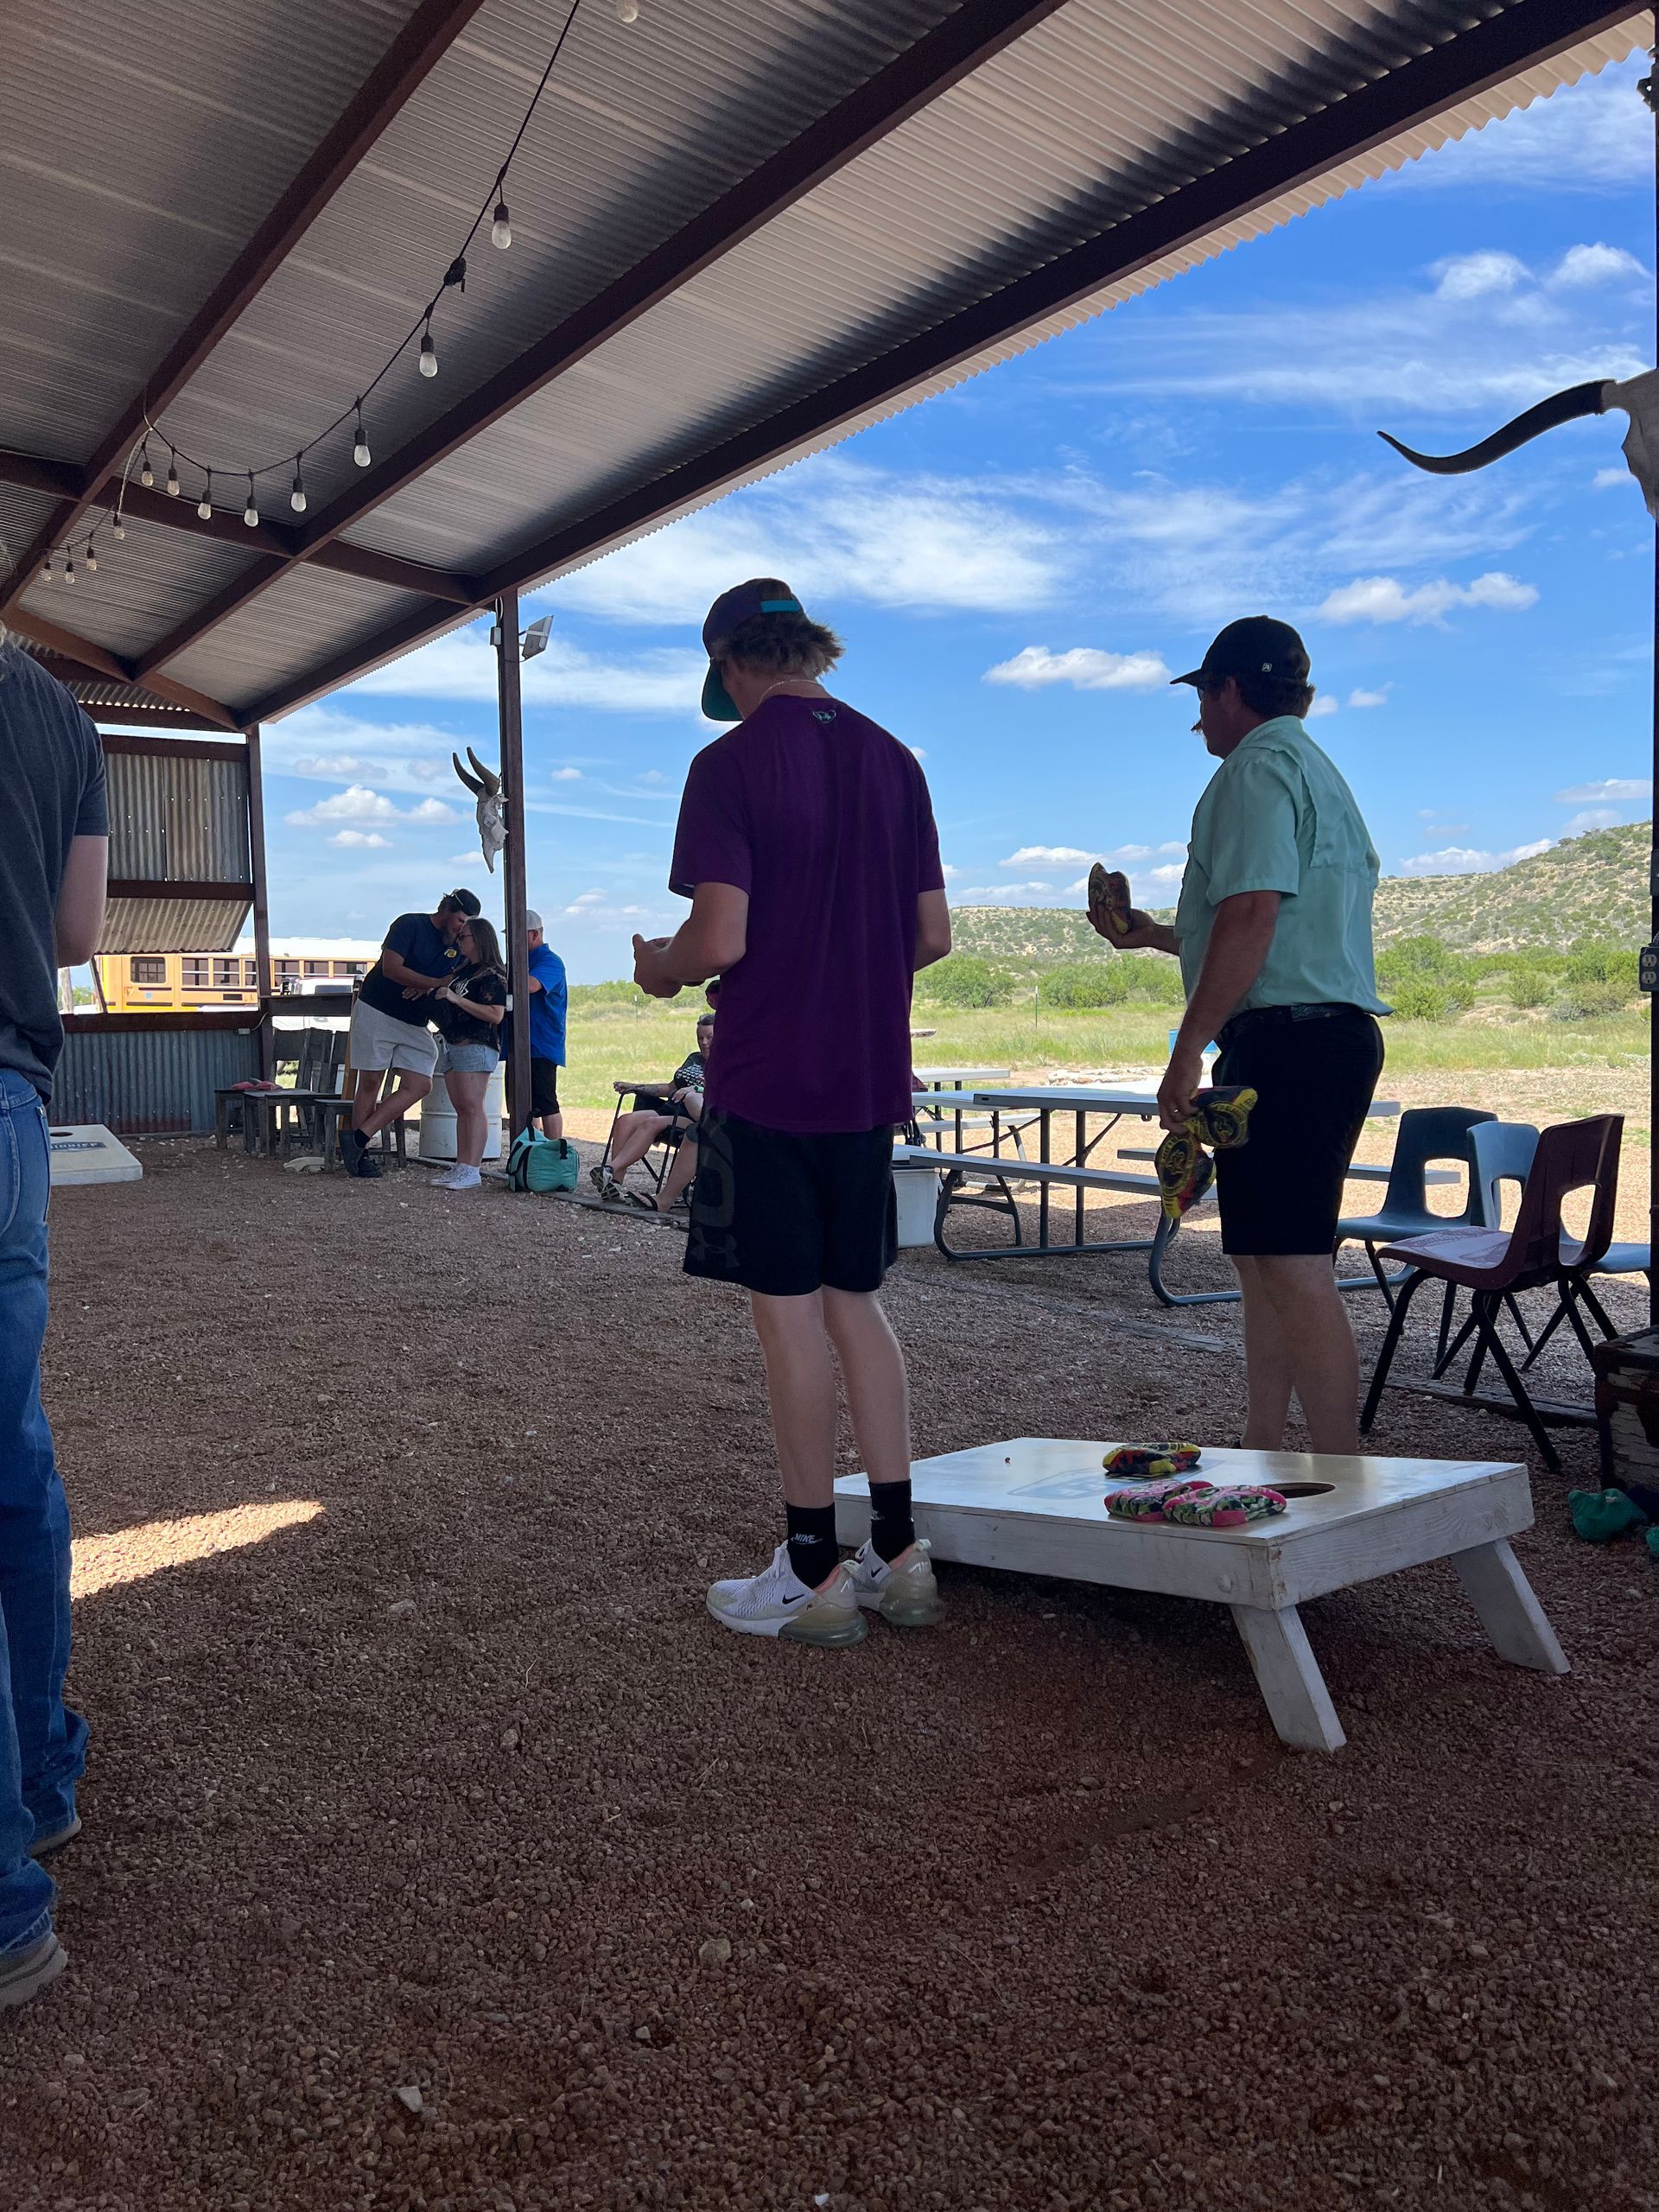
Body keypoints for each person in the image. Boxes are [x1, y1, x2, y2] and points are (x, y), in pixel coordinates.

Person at [634, 578, 953, 1647]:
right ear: (809, 649)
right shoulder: (894, 759)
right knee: (855, 1299)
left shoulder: (727, 765)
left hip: (770, 1072)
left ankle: (813, 1565)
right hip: (869, 1072)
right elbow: (933, 934)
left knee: (786, 1312)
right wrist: (854, 975)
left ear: (731, 664)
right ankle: (898, 1551)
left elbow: (719, 938)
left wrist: (660, 971)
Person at [1090, 615, 1386, 1453]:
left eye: (1202, 698)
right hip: (1317, 1032)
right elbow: (1266, 921)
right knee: (1262, 1262)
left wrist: (1186, 1051)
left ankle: (1340, 1475)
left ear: (1226, 690)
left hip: (1289, 1038)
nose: (1199, 721)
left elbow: (1253, 912)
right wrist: (1154, 932)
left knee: (1290, 1264)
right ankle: (1265, 1446)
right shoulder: (1313, 768)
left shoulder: (1254, 770)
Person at [0, 632, 108, 2007]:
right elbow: (78, 936)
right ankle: (38, 1778)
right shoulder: (54, 706)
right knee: (11, 1461)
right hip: (12, 1102)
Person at [341, 889, 479, 1179]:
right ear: (445, 908)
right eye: (459, 920)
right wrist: (430, 982)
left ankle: (359, 1137)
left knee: (420, 1084)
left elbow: (456, 975)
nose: (460, 928)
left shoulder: (456, 945)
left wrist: (428, 984)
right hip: (377, 1010)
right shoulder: (409, 925)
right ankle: (359, 1156)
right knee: (370, 1082)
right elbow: (392, 969)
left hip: (415, 1022)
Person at [593, 1012, 713, 1211]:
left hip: (690, 1118)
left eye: (710, 1037)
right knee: (626, 1120)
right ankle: (614, 1185)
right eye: (700, 1038)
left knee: (651, 1124)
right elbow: (669, 1087)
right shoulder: (693, 1059)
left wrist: (696, 1089)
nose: (704, 1043)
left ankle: (609, 1169)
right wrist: (636, 1086)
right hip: (671, 1110)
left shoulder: (723, 1063)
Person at [429, 915, 508, 1193]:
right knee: (461, 1107)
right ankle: (463, 1164)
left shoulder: (492, 974)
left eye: (464, 937)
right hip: (452, 1042)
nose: (459, 941)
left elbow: (495, 1014)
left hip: (476, 1043)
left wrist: (455, 999)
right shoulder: (464, 971)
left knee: (473, 1107)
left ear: (479, 940)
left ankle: (472, 1167)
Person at [524, 910, 567, 1141]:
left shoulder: (550, 961)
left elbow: (531, 985)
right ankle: (529, 1153)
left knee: (546, 1101)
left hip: (541, 1043)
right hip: (522, 1043)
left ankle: (553, 1152)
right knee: (522, 1102)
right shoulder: (524, 960)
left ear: (534, 935)